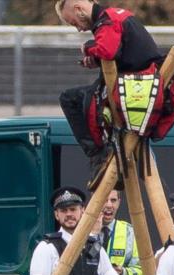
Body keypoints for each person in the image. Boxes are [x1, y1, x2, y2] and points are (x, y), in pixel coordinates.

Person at [56, 0, 163, 187]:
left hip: (134, 90)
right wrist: (95, 60)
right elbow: (124, 55)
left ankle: (98, 154)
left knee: (71, 99)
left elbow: (107, 50)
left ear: (79, 9)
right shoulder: (116, 16)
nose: (78, 29)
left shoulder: (107, 20)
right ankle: (104, 155)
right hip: (140, 85)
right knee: (78, 96)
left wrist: (89, 47)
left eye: (74, 23)